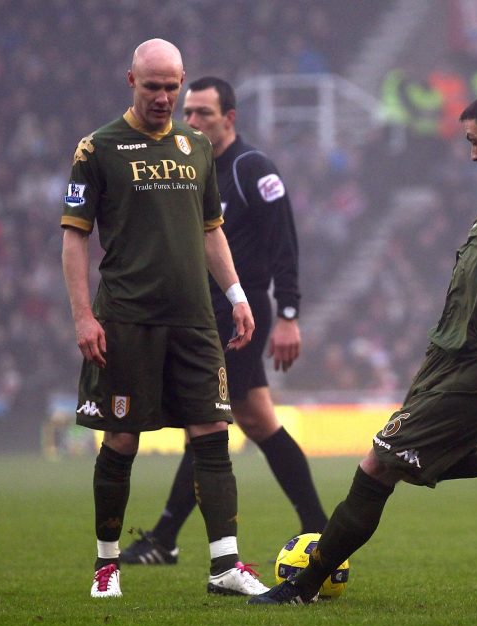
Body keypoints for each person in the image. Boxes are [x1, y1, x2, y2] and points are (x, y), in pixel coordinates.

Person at [249, 88, 477, 605]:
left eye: (474, 140)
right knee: (432, 460)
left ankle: (302, 586)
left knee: (378, 463)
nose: (471, 154)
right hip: (448, 358)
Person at [61, 39, 269, 600]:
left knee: (213, 432)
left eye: (172, 85)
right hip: (127, 320)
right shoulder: (98, 148)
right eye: (152, 85)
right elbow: (74, 237)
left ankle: (225, 566)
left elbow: (211, 230)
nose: (163, 96)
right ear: (130, 80)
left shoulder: (196, 145)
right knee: (122, 439)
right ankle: (107, 566)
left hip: (195, 320)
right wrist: (84, 316)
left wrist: (237, 294)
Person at [120, 77, 327, 567]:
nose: (190, 121)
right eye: (187, 113)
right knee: (256, 419)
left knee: (205, 420)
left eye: (202, 114)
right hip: (200, 312)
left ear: (229, 119)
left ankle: (165, 538)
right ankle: (320, 525)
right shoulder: (190, 169)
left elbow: (285, 244)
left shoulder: (251, 169)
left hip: (240, 314)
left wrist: (290, 315)